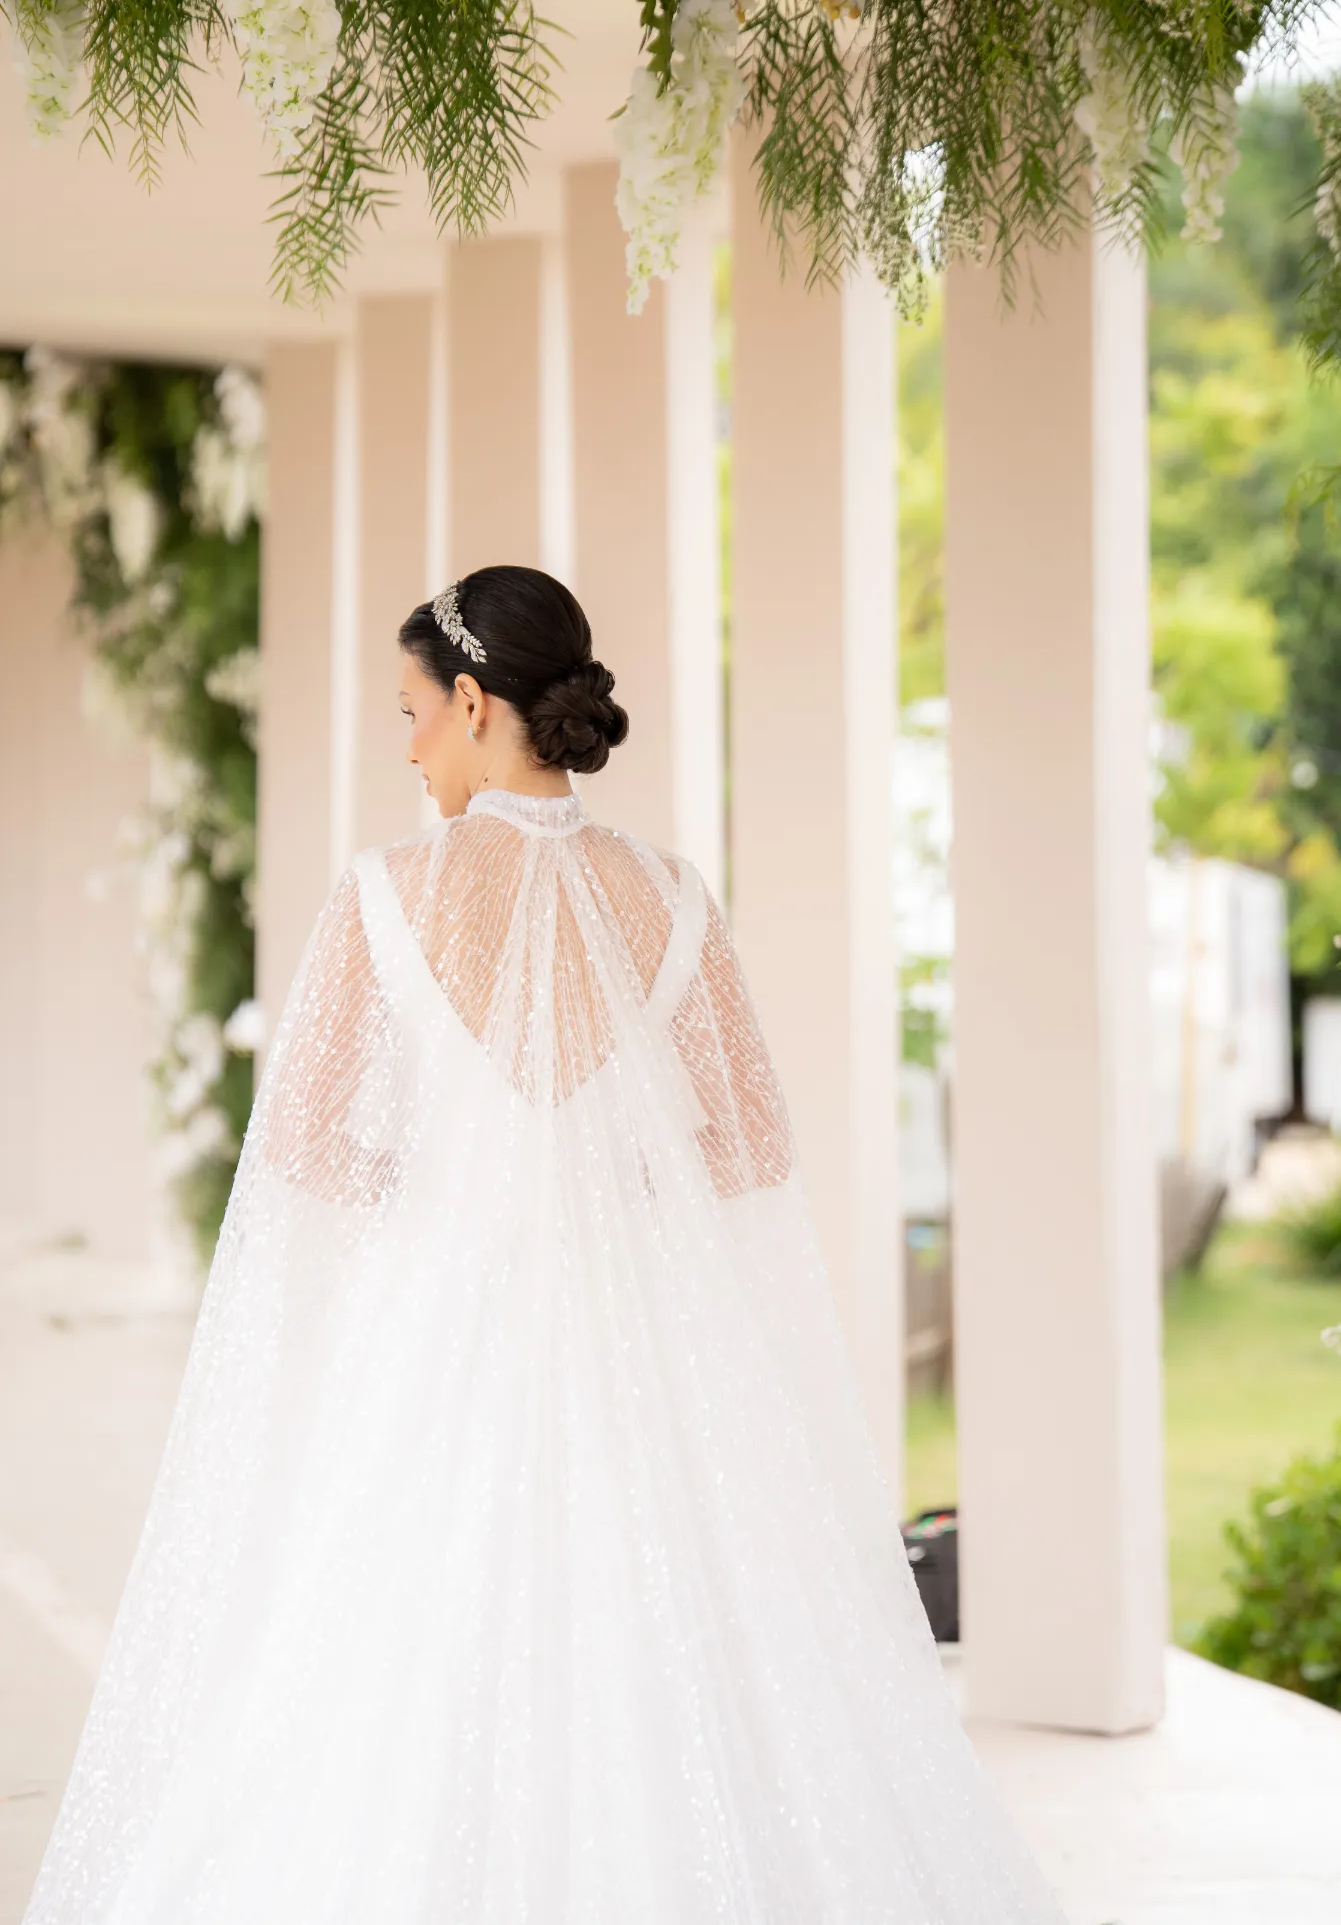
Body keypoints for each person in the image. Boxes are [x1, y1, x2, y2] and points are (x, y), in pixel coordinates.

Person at [22, 565, 1068, 1925]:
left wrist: (448, 1188)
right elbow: (753, 1145)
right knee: (676, 1637)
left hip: (437, 1347)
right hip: (645, 1359)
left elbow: (300, 1146)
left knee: (393, 1658)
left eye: (412, 713)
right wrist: (610, 1186)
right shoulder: (672, 894)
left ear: (474, 703)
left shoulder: (385, 893)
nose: (408, 750)